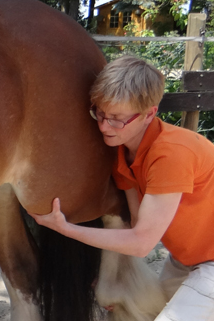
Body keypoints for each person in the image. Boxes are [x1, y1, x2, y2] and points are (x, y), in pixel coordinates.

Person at [29, 55, 214, 320]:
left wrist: (66, 229)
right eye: (99, 113)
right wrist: (110, 278)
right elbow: (137, 224)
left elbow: (142, 244)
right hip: (186, 259)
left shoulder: (171, 154)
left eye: (116, 118)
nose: (104, 126)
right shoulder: (122, 154)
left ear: (150, 113)